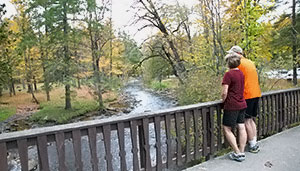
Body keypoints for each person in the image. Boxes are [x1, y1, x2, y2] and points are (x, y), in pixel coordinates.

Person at [227, 45, 261, 153]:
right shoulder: (250, 62)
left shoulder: (239, 63)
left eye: (231, 54)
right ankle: (254, 142)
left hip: (247, 95)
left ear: (236, 53)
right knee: (251, 119)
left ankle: (252, 145)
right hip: (256, 93)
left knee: (246, 120)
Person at [222, 53, 247, 162]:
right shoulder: (241, 73)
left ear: (228, 63)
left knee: (227, 128)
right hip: (242, 103)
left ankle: (237, 152)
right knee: (241, 126)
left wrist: (223, 101)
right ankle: (242, 151)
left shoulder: (228, 74)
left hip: (232, 105)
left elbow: (224, 92)